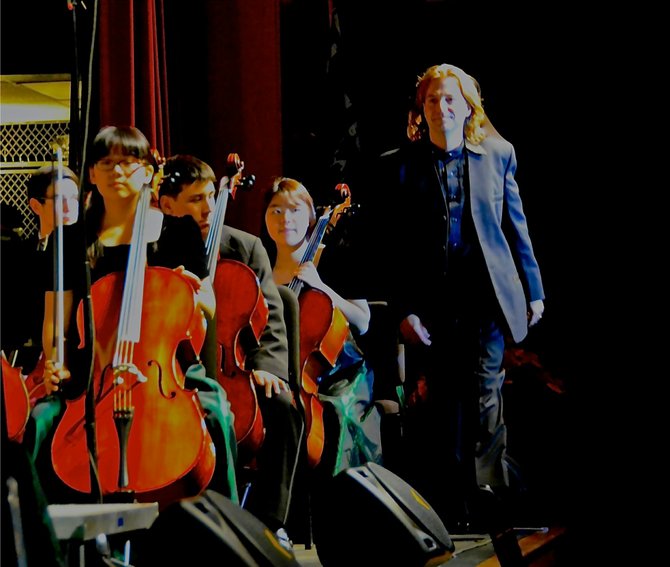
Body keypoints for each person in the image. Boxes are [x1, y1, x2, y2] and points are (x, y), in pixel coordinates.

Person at [373, 63, 545, 532]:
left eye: (450, 99)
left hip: (486, 298)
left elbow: (516, 226)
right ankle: (451, 509)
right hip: (431, 304)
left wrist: (533, 290)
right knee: (443, 404)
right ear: (420, 107)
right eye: (432, 100)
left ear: (467, 106)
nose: (441, 107)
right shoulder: (400, 165)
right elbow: (393, 249)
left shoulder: (498, 153)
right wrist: (404, 309)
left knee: (485, 395)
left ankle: (490, 498)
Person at [40, 126, 217, 507]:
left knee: (218, 416)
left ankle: (225, 533)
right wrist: (57, 363)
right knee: (40, 423)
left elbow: (210, 305)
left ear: (149, 172)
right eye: (106, 163)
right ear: (91, 174)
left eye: (128, 162)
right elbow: (57, 322)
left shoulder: (178, 231)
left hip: (166, 370)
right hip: (93, 375)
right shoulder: (70, 240)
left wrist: (195, 293)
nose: (117, 171)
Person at [158, 154, 303, 550]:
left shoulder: (246, 246)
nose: (207, 209)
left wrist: (266, 365)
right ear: (166, 205)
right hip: (177, 372)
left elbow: (272, 313)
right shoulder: (160, 249)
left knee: (286, 408)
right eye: (194, 200)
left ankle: (272, 525)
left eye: (210, 197)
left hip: (239, 367)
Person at [262, 177, 383, 479]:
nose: (284, 219)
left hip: (337, 375)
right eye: (275, 210)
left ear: (311, 217)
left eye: (294, 210)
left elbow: (363, 320)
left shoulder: (336, 257)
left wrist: (321, 287)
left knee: (330, 416)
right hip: (281, 371)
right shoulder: (259, 267)